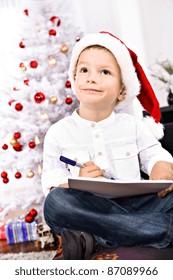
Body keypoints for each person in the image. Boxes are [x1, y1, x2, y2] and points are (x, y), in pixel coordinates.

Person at [42, 31, 173, 260]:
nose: (92, 78)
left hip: (136, 205)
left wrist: (160, 166)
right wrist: (77, 183)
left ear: (122, 90)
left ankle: (101, 238)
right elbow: (52, 185)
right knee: (55, 204)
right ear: (74, 80)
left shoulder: (132, 125)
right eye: (84, 70)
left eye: (104, 72)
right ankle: (162, 231)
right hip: (89, 208)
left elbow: (154, 154)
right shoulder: (58, 133)